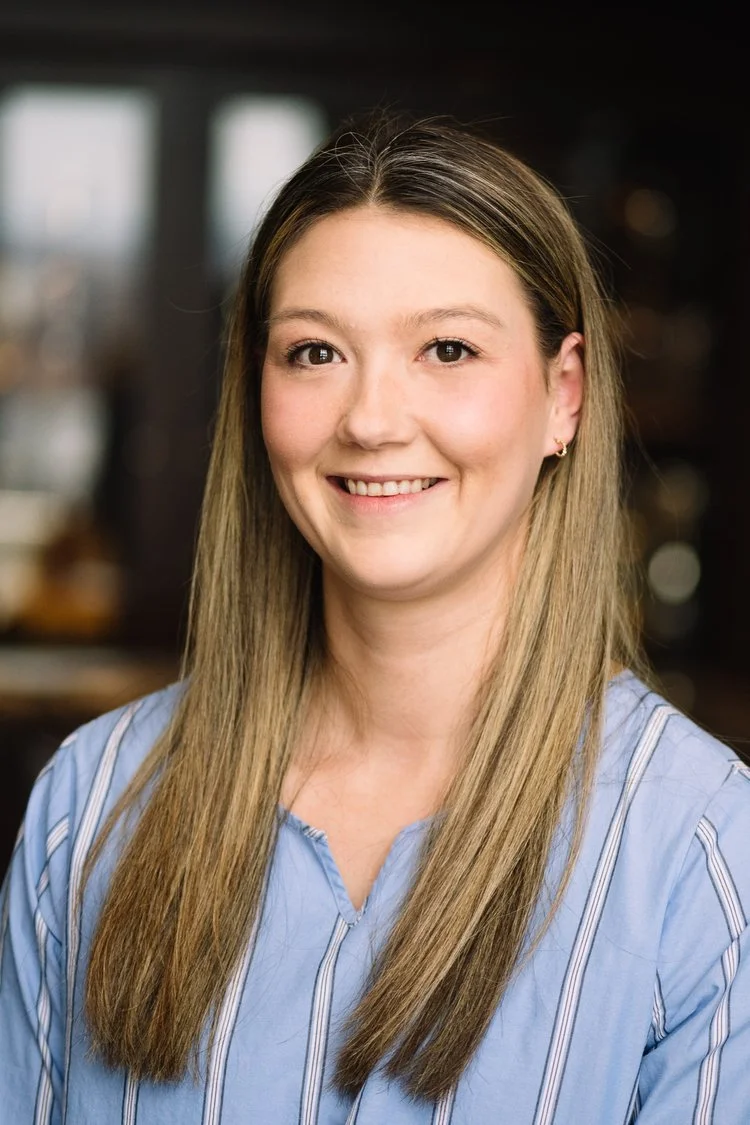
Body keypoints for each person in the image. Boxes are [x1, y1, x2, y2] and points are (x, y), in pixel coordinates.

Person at [1, 110, 749, 1125]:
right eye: (315, 354)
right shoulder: (88, 812)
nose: (371, 419)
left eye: (446, 349)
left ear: (562, 395)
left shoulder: (703, 853)